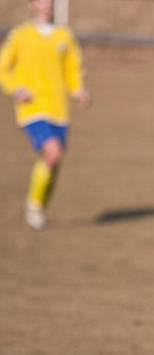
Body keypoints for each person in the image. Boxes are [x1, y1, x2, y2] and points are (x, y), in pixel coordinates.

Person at [0, 0, 90, 230]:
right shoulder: (20, 35)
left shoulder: (64, 36)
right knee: (52, 152)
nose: (47, 5)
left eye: (50, 2)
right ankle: (34, 205)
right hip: (32, 108)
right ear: (32, 5)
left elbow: (73, 69)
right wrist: (15, 88)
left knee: (53, 160)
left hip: (59, 110)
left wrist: (78, 90)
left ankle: (38, 206)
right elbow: (3, 68)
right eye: (42, 1)